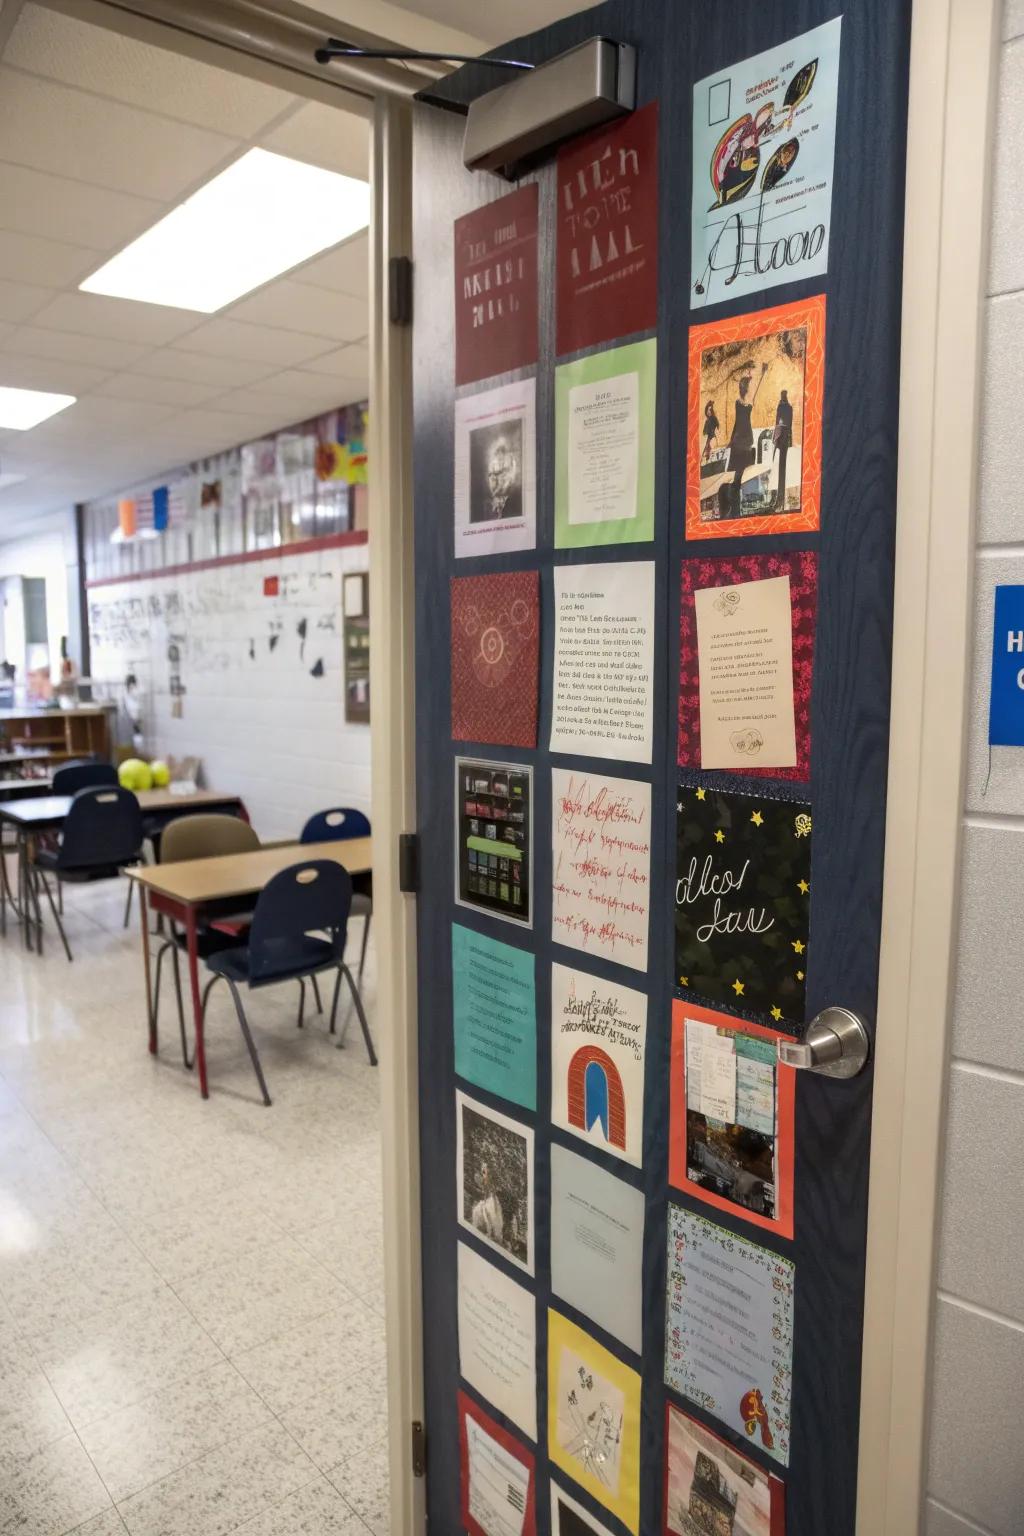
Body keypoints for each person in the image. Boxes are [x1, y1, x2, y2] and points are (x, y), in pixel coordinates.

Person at [724, 363, 768, 518]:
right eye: (747, 387)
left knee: (740, 474)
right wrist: (759, 374)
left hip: (741, 441)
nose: (749, 389)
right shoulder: (746, 403)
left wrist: (755, 374)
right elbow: (754, 389)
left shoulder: (741, 402)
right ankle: (735, 507)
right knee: (740, 474)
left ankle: (735, 506)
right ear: (745, 389)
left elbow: (754, 388)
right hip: (742, 441)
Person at [773, 388, 794, 511]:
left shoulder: (782, 407)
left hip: (782, 438)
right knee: (781, 468)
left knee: (781, 468)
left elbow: (778, 423)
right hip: (783, 438)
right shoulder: (787, 407)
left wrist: (775, 438)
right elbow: (788, 425)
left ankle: (780, 500)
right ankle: (780, 500)